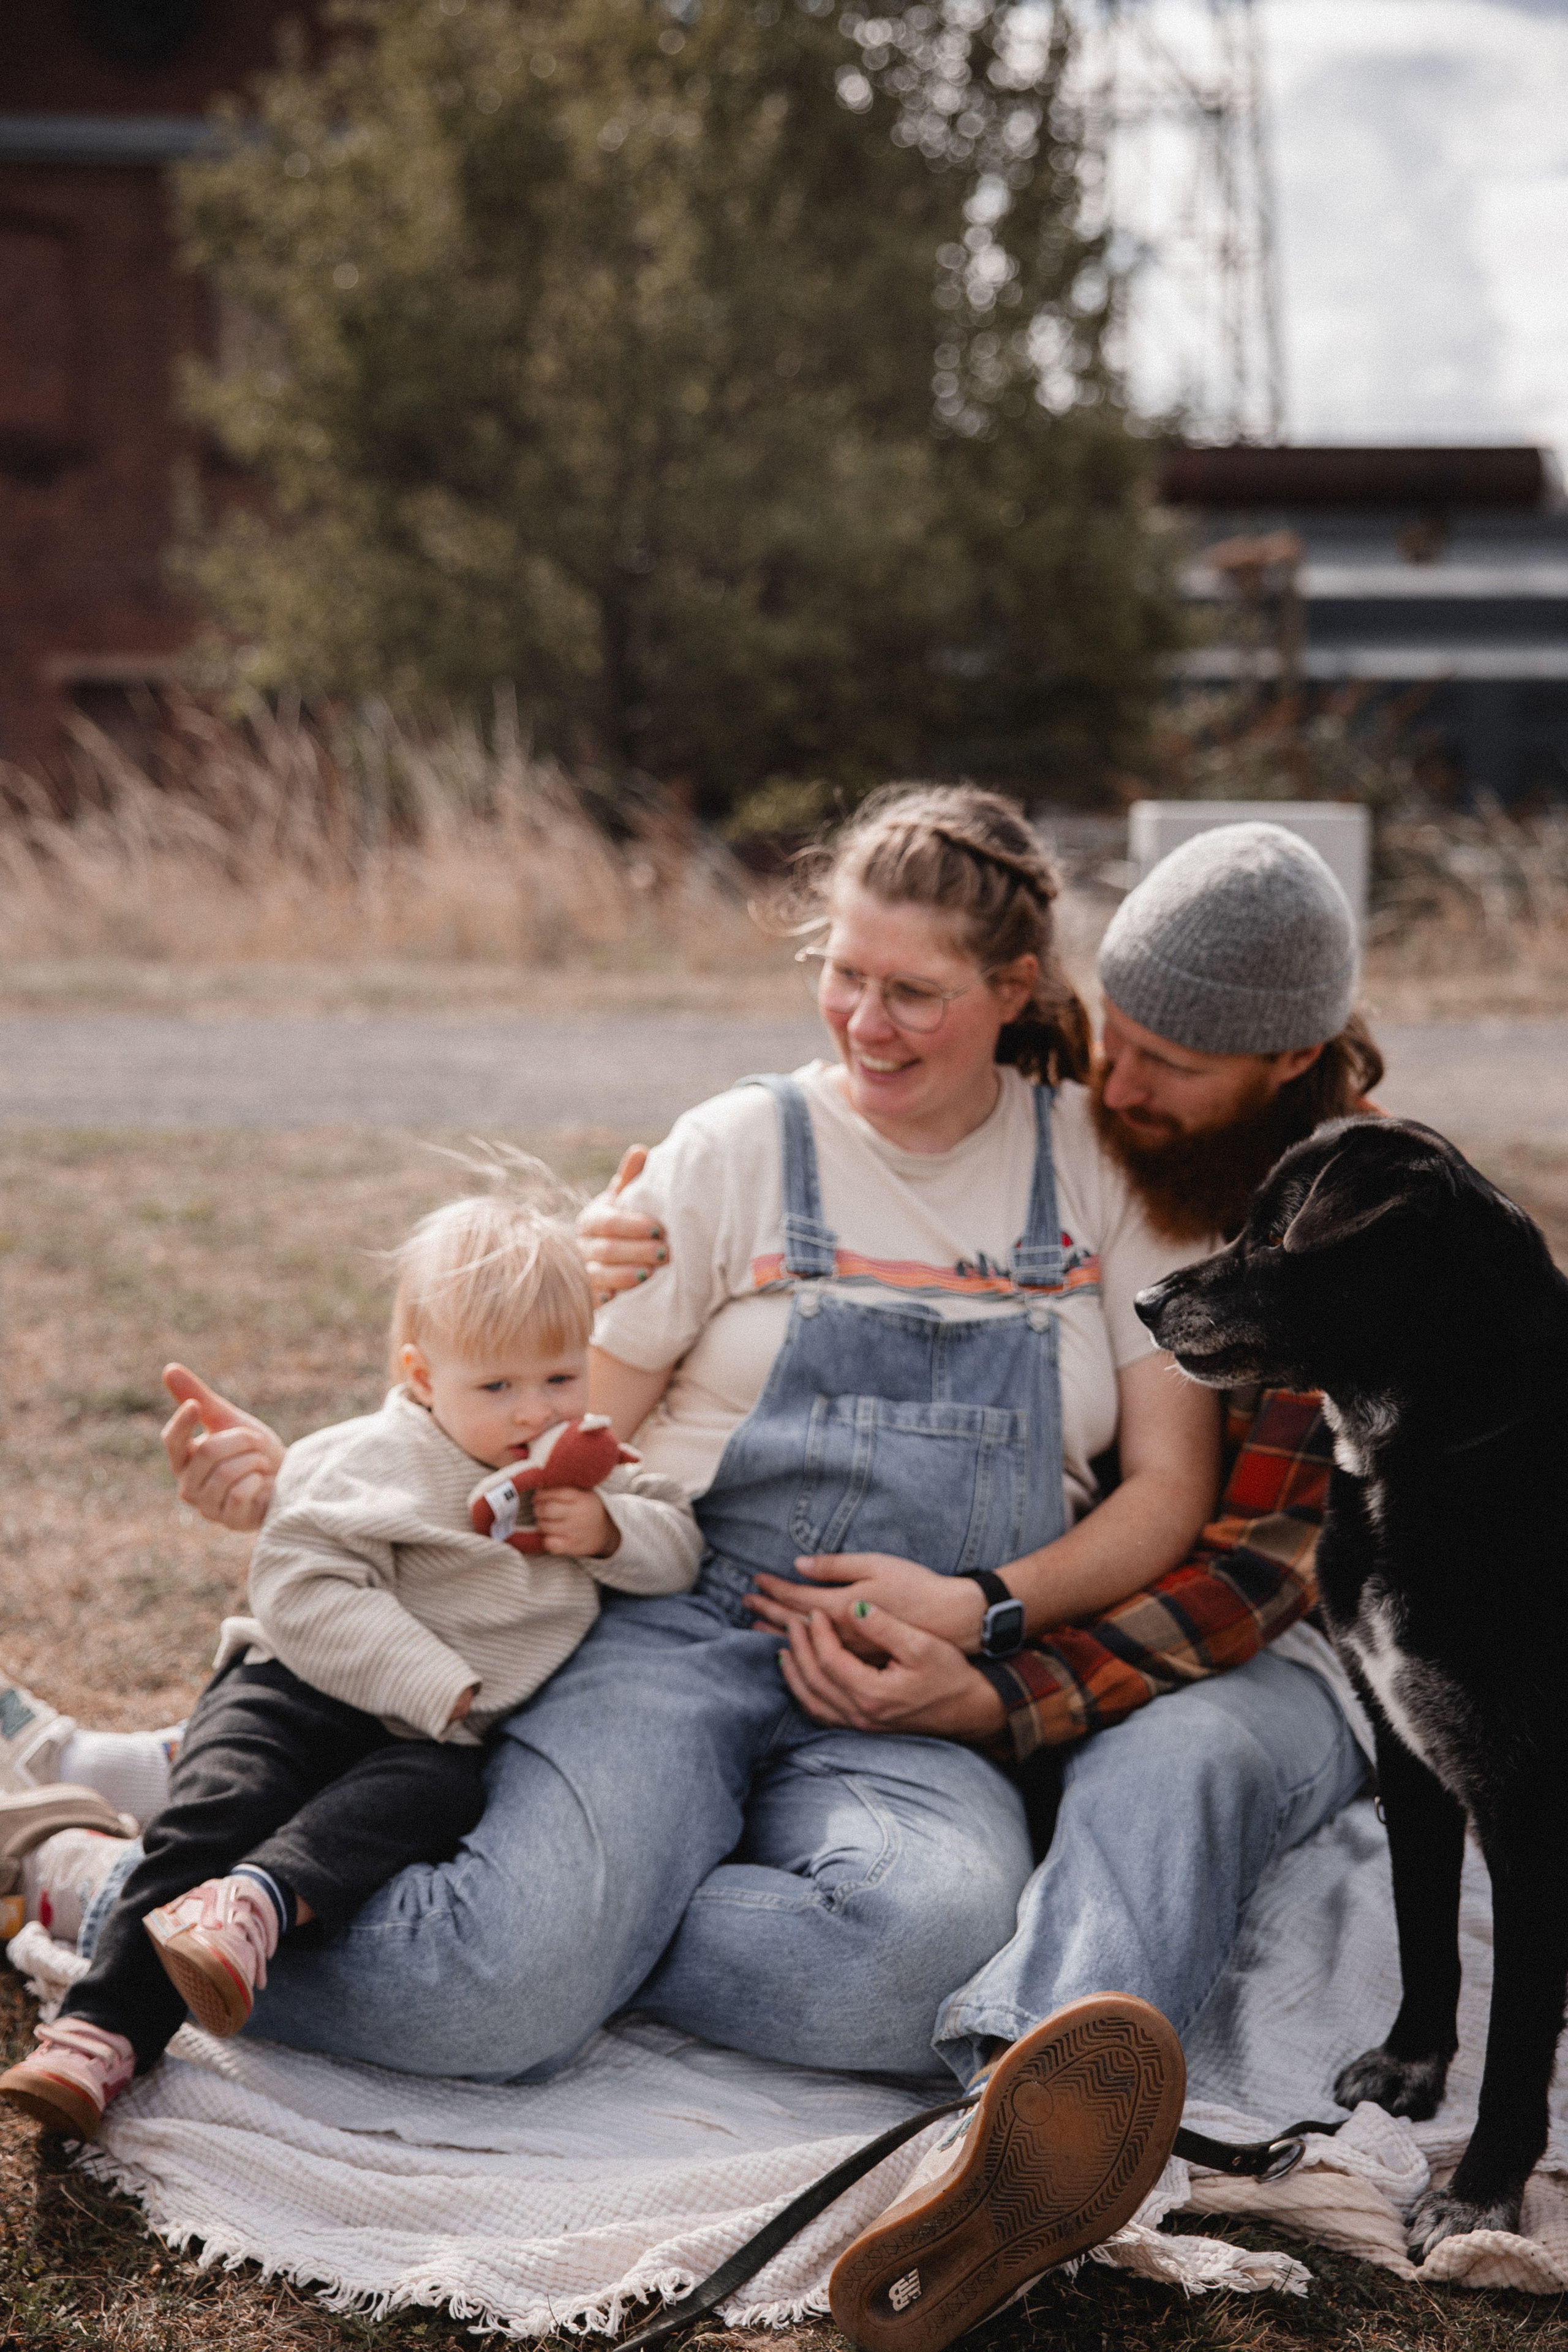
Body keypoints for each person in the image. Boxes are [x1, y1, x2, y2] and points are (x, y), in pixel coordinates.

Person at [0, 1181, 700, 2137]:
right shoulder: (363, 1457)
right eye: (496, 1387)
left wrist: (613, 1531)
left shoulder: (588, 1468)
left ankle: (255, 1906)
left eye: (558, 1378)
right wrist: (430, 1679)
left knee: (429, 1800)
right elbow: (297, 1582)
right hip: (298, 1688)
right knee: (219, 1810)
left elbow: (680, 1544)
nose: (532, 1410)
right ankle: (98, 2033)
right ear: (421, 1373)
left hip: (440, 1737)